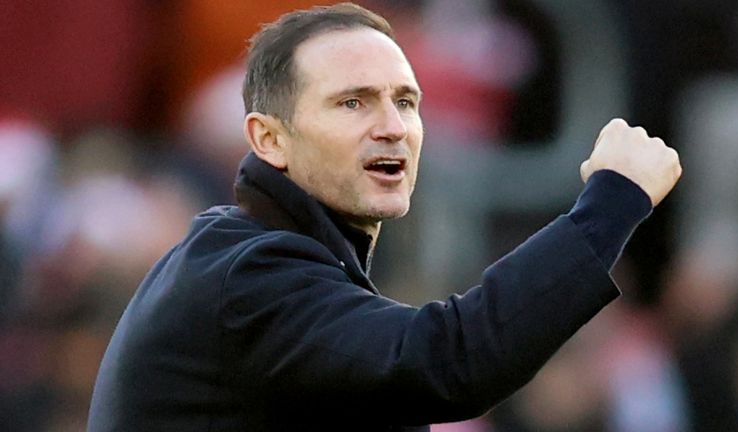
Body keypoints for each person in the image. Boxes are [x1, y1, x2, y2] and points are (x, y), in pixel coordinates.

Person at [86, 3, 681, 431]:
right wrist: (612, 203)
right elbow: (445, 362)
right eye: (352, 102)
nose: (392, 126)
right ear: (268, 139)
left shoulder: (273, 258)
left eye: (405, 101)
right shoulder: (249, 270)